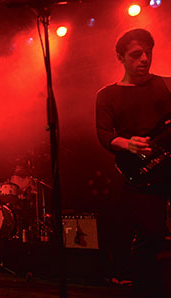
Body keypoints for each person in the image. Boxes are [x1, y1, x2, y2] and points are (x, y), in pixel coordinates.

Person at [95, 28, 171, 297]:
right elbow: (104, 134)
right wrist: (128, 144)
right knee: (151, 235)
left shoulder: (167, 84)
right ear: (120, 57)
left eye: (148, 53)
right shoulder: (107, 95)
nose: (144, 59)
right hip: (142, 176)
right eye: (136, 55)